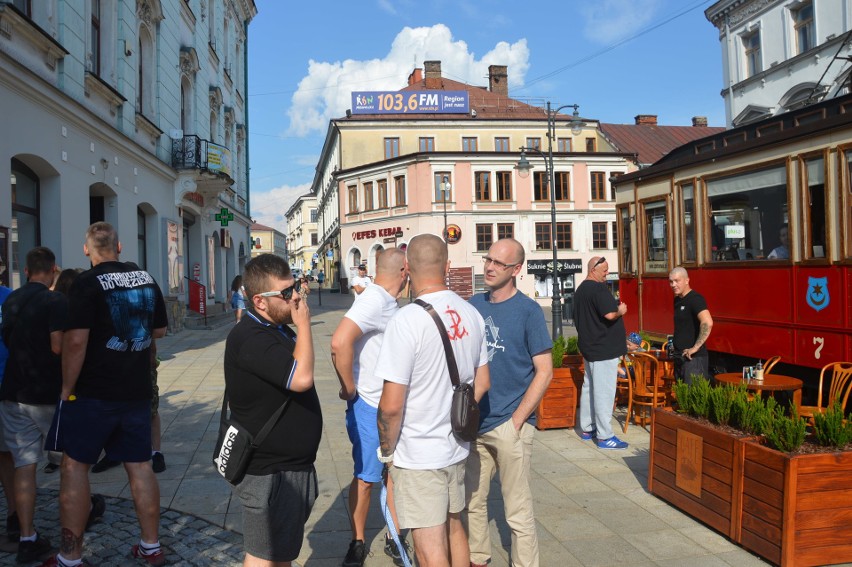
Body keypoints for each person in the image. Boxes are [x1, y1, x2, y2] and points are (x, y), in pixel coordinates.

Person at [44, 222, 168, 567]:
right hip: (136, 390)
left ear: (87, 250)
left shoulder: (85, 283)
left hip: (93, 393)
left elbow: (76, 341)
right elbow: (159, 328)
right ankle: (151, 546)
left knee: (74, 467)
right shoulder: (145, 278)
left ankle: (70, 557)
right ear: (120, 246)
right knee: (140, 466)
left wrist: (67, 390)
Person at [375, 234, 490, 567]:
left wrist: (387, 451)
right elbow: (482, 383)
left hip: (418, 453)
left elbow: (391, 406)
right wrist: (451, 416)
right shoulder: (472, 314)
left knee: (428, 545)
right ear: (448, 266)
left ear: (407, 269)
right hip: (456, 445)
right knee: (455, 527)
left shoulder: (405, 321)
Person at [223, 254, 321, 567]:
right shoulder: (250, 337)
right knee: (263, 556)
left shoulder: (274, 328)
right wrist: (304, 323)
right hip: (268, 472)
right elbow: (302, 378)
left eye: (295, 289)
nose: (295, 298)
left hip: (288, 468)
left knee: (280, 554)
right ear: (259, 302)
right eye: (286, 293)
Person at [465, 238, 552, 567]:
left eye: (499, 263)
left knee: (517, 510)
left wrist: (517, 421)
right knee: (473, 502)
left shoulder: (528, 311)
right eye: (488, 259)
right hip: (476, 422)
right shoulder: (473, 304)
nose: (489, 266)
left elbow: (544, 371)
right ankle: (478, 559)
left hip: (510, 425)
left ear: (516, 269)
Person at [0, 247, 87, 563]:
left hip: (13, 392)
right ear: (53, 270)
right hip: (47, 394)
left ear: (25, 271)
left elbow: (8, 339)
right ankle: (72, 529)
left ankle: (26, 536)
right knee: (68, 464)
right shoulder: (56, 301)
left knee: (24, 464)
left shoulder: (11, 299)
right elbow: (57, 346)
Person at [331, 248, 409, 567]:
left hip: (390, 404)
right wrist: (350, 389)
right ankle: (358, 541)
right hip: (369, 404)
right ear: (404, 270)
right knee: (366, 478)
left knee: (393, 473)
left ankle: (393, 533)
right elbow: (339, 342)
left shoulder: (389, 302)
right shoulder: (374, 299)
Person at [574, 256, 629, 449]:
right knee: (604, 392)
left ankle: (588, 428)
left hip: (590, 348)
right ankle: (605, 436)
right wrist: (621, 310)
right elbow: (610, 314)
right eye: (604, 270)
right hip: (604, 349)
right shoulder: (598, 289)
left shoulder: (580, 290)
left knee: (589, 389)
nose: (607, 273)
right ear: (593, 269)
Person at [0, 278, 19, 552]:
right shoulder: (12, 298)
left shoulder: (11, 297)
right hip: (8, 384)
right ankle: (16, 514)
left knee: (6, 454)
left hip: (7, 384)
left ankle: (16, 514)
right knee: (8, 454)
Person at [669, 267, 713, 384]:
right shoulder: (677, 300)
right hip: (679, 358)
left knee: (693, 400)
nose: (673, 285)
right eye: (671, 281)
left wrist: (695, 347)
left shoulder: (695, 299)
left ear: (687, 280)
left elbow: (707, 322)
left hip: (694, 360)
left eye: (677, 281)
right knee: (681, 399)